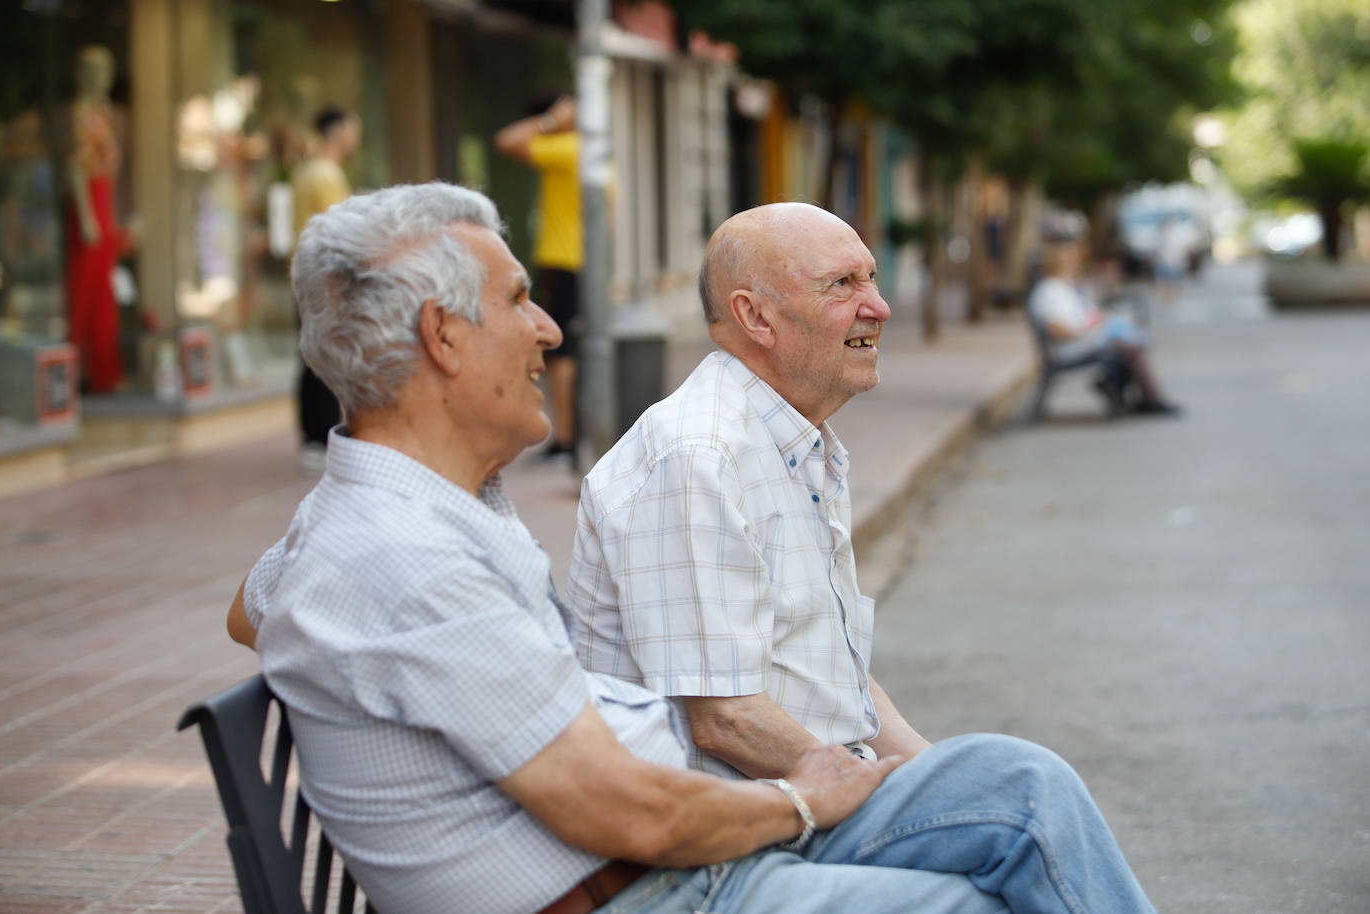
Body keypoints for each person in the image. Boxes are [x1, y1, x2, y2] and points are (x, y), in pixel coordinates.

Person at [227, 183, 1157, 914]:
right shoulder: (406, 558)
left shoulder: (404, 511)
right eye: (521, 301)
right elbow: (633, 806)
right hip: (657, 880)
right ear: (443, 339)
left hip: (667, 862)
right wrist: (805, 800)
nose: (550, 329)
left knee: (1018, 791)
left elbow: (264, 603)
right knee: (994, 868)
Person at [570, 202, 932, 780]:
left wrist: (934, 775)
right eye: (842, 284)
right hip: (750, 833)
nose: (879, 307)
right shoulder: (698, 457)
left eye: (872, 278)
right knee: (1030, 795)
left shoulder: (795, 438)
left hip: (819, 792)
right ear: (756, 318)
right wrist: (880, 793)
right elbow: (724, 719)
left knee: (1007, 777)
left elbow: (832, 669)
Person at [494, 94, 580, 465]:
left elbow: (506, 141)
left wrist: (549, 120)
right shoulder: (595, 153)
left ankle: (565, 439)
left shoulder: (566, 148)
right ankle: (571, 436)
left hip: (562, 258)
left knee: (559, 353)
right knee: (573, 350)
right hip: (585, 263)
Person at [1028, 233, 1180, 416]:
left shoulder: (1067, 287)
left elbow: (1086, 313)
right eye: (1071, 260)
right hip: (1070, 346)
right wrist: (1089, 329)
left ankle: (1132, 393)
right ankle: (1147, 398)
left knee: (1129, 338)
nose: (1076, 264)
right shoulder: (1049, 291)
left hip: (1085, 338)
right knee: (1128, 346)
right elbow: (1056, 329)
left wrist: (1100, 322)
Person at [291, 105, 362, 469]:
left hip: (311, 273)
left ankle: (314, 437)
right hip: (322, 276)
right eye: (353, 128)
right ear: (338, 131)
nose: (356, 137)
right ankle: (319, 437)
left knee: (313, 355)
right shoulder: (324, 173)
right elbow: (340, 231)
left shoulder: (310, 170)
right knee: (323, 358)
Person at [64, 44, 128, 394]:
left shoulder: (103, 111)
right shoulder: (82, 112)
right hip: (89, 206)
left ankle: (103, 370)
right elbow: (76, 167)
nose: (102, 77)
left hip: (104, 204)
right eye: (95, 69)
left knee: (104, 292)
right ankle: (77, 373)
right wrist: (87, 215)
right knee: (84, 291)